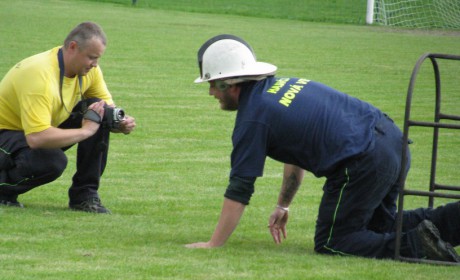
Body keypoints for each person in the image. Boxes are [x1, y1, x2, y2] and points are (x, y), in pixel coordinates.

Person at [185, 34, 460, 263]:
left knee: (333, 241)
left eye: (212, 85)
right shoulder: (277, 89)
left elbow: (240, 188)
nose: (211, 93)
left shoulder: (252, 118)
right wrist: (283, 204)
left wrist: (214, 243)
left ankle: (418, 248)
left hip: (363, 159)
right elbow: (295, 154)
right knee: (381, 227)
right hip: (393, 141)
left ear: (228, 83)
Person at [0, 22, 136, 213]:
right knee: (51, 161)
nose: (95, 64)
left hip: (31, 132)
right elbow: (37, 138)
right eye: (91, 57)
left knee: (100, 111)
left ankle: (84, 196)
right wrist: (86, 130)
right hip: (6, 134)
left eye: (98, 58)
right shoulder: (39, 75)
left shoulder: (90, 70)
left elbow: (106, 109)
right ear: (73, 47)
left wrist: (119, 123)